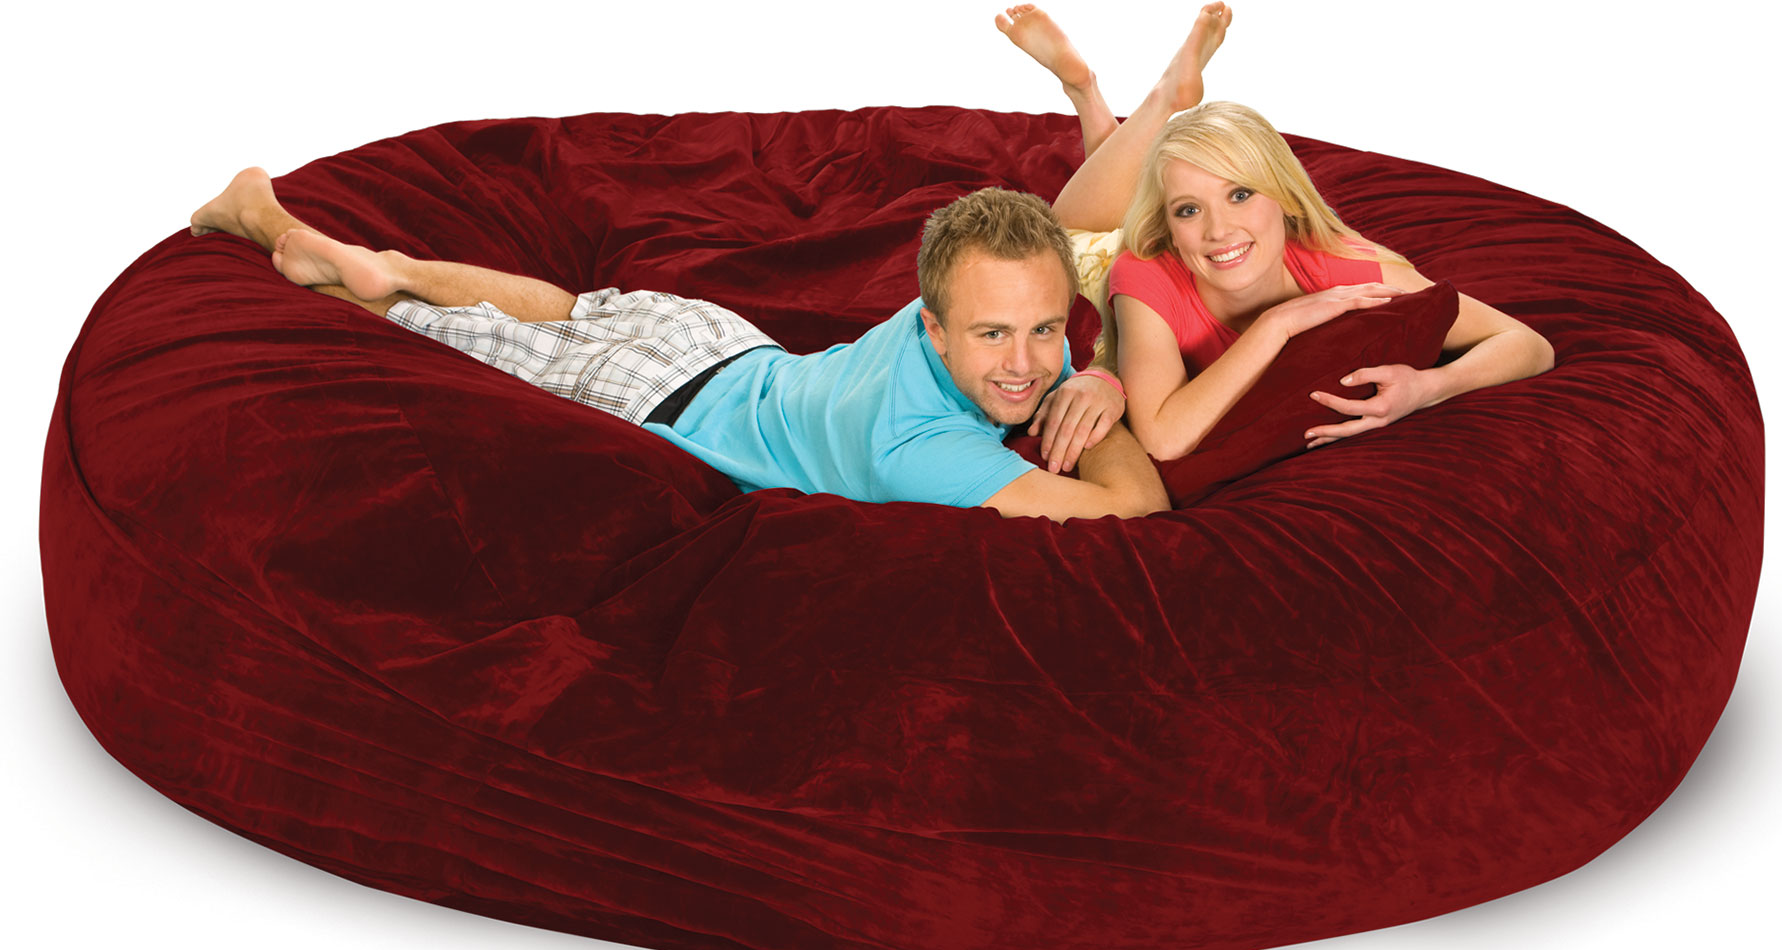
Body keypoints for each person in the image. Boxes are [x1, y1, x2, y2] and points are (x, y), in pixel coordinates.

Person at [187, 170, 1169, 524]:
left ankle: (394, 263)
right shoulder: (922, 454)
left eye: (1046, 329)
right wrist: (1100, 397)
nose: (1025, 362)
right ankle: (297, 241)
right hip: (657, 391)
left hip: (716, 336)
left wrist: (1088, 370)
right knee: (452, 339)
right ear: (933, 326)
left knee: (567, 307)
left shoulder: (970, 305)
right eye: (993, 334)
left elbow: (1060, 304)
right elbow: (1134, 508)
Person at [998, 3, 1555, 461]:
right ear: (1168, 226)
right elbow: (1165, 438)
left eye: (1240, 194)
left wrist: (1429, 388)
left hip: (1159, 235)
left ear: (1284, 198)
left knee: (1135, 186)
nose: (1219, 230)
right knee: (1066, 228)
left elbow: (1528, 344)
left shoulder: (1349, 268)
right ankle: (1114, 92)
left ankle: (1118, 101)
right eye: (1188, 211)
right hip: (1102, 263)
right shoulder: (1144, 271)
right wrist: (1277, 324)